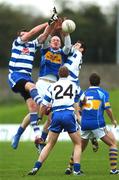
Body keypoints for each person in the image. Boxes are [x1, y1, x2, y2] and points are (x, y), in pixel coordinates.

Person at [10, 18, 72, 150]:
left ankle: (41, 140)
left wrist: (64, 32)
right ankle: (18, 134)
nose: (55, 41)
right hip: (42, 83)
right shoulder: (45, 49)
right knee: (37, 111)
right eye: (53, 40)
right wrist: (51, 25)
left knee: (51, 117)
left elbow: (67, 46)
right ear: (50, 42)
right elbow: (45, 35)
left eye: (57, 40)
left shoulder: (63, 53)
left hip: (55, 85)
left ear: (59, 43)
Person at [28, 66, 85, 176]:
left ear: (58, 74)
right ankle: (77, 170)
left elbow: (44, 105)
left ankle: (36, 167)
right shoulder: (74, 85)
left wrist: (40, 117)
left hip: (56, 115)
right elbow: (83, 99)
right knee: (78, 144)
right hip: (68, 114)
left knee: (49, 144)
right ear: (68, 74)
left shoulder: (52, 86)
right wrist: (81, 109)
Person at [78, 73, 118, 175]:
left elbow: (79, 109)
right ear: (99, 82)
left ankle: (70, 167)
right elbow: (108, 109)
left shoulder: (84, 93)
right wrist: (113, 120)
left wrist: (83, 118)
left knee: (79, 147)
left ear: (89, 82)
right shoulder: (102, 93)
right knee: (113, 143)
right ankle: (113, 170)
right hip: (97, 124)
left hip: (85, 124)